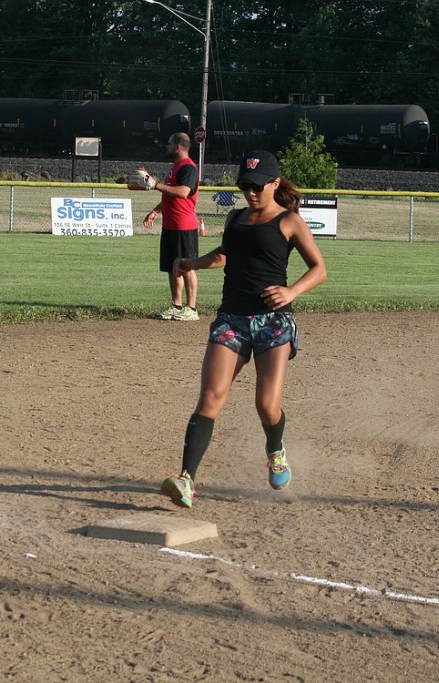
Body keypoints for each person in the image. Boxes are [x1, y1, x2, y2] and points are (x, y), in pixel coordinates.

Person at [159, 150, 327, 509]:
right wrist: (192, 262)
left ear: (275, 183)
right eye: (245, 186)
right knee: (210, 397)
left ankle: (275, 449)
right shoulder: (235, 218)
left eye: (257, 186)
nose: (251, 193)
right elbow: (227, 253)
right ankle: (187, 480)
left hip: (272, 322)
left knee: (267, 406)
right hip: (232, 318)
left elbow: (319, 269)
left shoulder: (289, 221)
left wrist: (291, 291)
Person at [142, 132, 200, 321]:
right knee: (171, 267)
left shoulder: (188, 168)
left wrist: (156, 184)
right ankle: (176, 306)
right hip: (170, 225)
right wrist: (155, 212)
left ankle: (191, 308)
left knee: (187, 266)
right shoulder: (174, 168)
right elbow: (169, 196)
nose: (167, 147)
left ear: (178, 146)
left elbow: (183, 192)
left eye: (169, 143)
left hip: (185, 226)